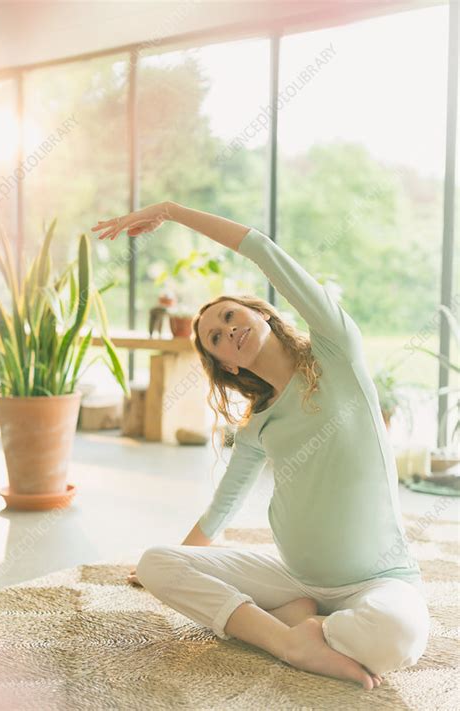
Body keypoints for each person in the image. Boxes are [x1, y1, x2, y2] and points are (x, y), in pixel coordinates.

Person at [91, 202, 430, 691]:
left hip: (380, 579)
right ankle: (288, 639)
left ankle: (303, 623)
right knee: (154, 562)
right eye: (214, 338)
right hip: (293, 577)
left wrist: (170, 211)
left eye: (230, 316)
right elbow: (221, 509)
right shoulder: (256, 425)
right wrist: (177, 568)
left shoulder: (338, 354)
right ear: (227, 365)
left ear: (260, 312)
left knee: (398, 639)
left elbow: (262, 250)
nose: (228, 330)